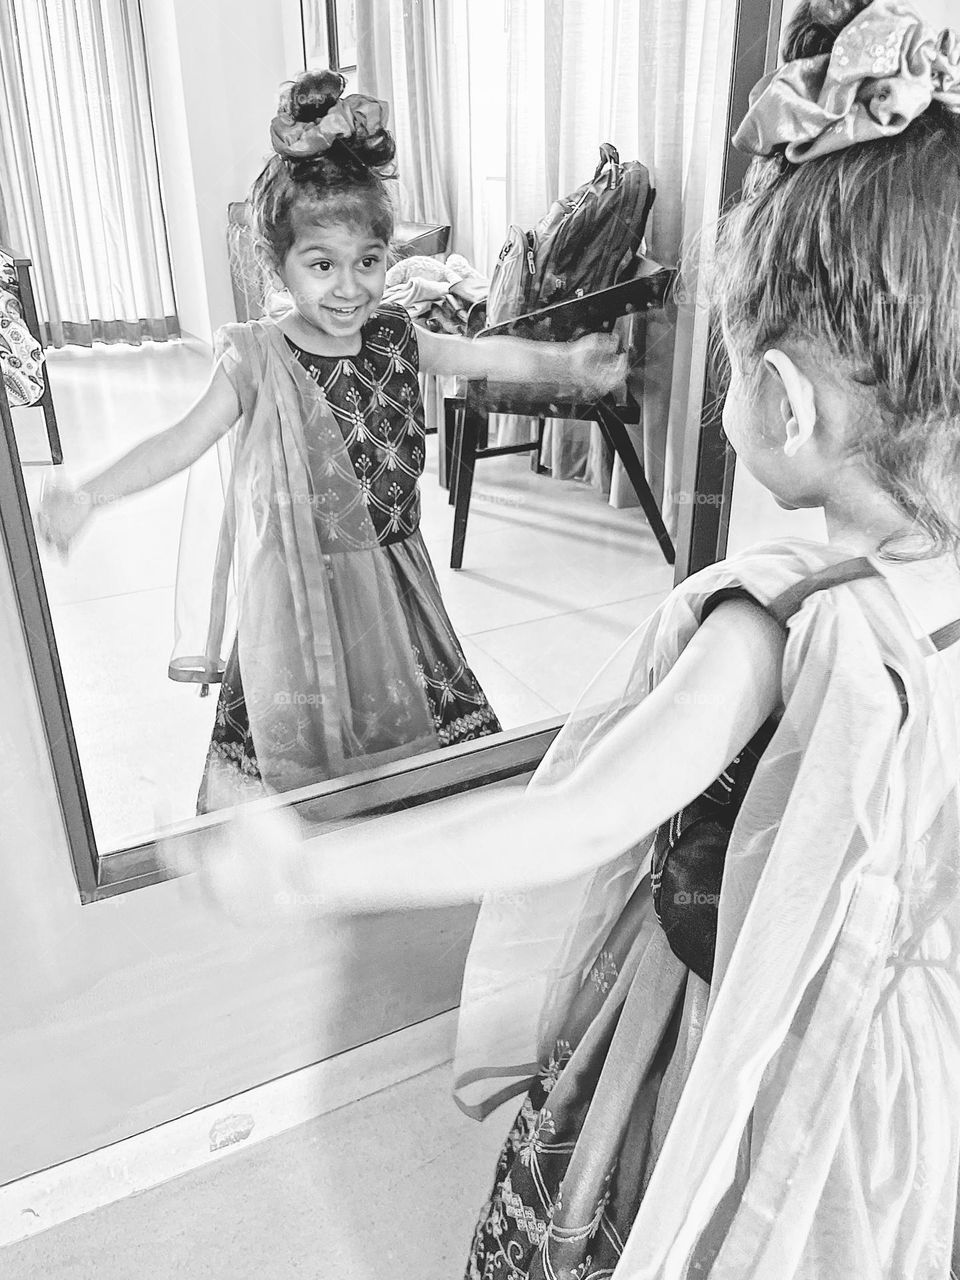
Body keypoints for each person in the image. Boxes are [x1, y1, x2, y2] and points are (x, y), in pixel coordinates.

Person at [176, 1, 960, 1274]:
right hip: (905, 1073)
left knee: (694, 1195)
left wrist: (308, 869)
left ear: (784, 403)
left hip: (745, 1016)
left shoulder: (776, 620)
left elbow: (575, 816)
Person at [35, 69, 626, 813]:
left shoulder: (397, 335)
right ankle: (303, 851)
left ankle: (413, 834)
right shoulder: (254, 356)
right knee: (301, 745)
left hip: (396, 574)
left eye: (368, 261)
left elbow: (483, 354)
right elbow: (179, 441)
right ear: (276, 264)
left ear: (388, 254)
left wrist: (568, 365)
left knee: (422, 737)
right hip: (299, 590)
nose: (349, 288)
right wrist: (87, 495)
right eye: (321, 265)